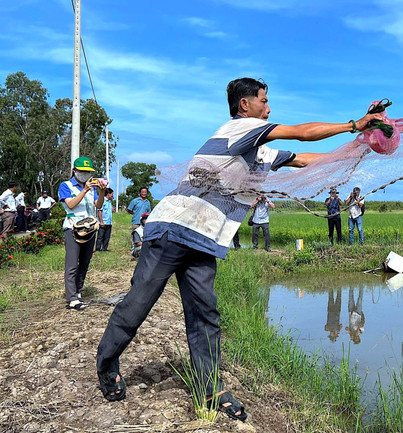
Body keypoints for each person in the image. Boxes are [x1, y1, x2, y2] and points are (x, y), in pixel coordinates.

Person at [95, 77, 384, 420]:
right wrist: (353, 125)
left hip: (204, 238)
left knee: (205, 314)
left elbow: (305, 159)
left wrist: (360, 147)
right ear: (245, 105)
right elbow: (301, 133)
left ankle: (211, 390)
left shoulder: (260, 149)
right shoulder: (240, 128)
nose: (269, 108)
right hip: (173, 228)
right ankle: (107, 364)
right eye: (264, 100)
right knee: (139, 302)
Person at [59, 156, 105, 311]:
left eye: (88, 172)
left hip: (90, 229)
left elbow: (98, 205)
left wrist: (101, 191)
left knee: (85, 262)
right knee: (72, 264)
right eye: (82, 171)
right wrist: (84, 190)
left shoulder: (92, 189)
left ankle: (78, 291)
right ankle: (71, 298)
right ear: (75, 170)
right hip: (73, 229)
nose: (85, 174)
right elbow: (71, 205)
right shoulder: (66, 186)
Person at [95, 188, 114, 252]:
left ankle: (104, 249)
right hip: (103, 222)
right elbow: (99, 211)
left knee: (107, 237)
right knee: (100, 237)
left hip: (109, 222)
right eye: (112, 194)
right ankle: (98, 249)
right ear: (108, 194)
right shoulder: (102, 201)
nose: (112, 195)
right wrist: (101, 221)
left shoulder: (109, 202)